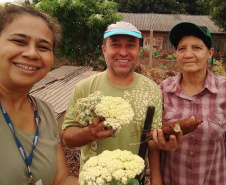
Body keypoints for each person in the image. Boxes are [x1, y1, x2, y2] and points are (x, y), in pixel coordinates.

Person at [61, 21, 182, 185]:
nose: (123, 52)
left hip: (134, 180)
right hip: (93, 181)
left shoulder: (152, 90)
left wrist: (157, 178)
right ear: (104, 50)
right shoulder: (85, 88)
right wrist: (90, 133)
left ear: (139, 51)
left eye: (131, 46)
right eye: (115, 45)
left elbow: (151, 142)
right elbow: (67, 138)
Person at [0, 3, 78, 185]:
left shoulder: (45, 112)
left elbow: (61, 179)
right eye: (19, 41)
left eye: (43, 47)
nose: (31, 53)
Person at [158, 22, 226, 185]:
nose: (188, 54)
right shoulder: (163, 90)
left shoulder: (224, 90)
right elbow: (153, 140)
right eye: (182, 48)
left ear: (209, 53)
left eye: (196, 47)